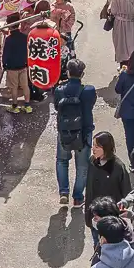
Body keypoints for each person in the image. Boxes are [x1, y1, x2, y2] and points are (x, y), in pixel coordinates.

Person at [52, 61, 96, 209]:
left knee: (62, 161)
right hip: (84, 131)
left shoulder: (59, 90)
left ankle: (63, 192)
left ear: (68, 72)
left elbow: (57, 106)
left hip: (64, 131)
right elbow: (91, 104)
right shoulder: (89, 90)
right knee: (82, 166)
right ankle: (78, 197)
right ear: (82, 74)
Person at [84, 133, 133, 247]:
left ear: (105, 148)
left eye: (97, 146)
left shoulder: (118, 167)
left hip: (110, 221)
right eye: (93, 145)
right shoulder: (92, 161)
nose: (93, 149)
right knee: (97, 245)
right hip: (94, 215)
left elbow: (127, 193)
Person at [0, 14, 32, 114]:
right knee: (25, 86)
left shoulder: (9, 39)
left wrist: (4, 64)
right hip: (23, 65)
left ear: (10, 25)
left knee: (14, 87)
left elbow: (6, 54)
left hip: (12, 67)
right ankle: (27, 106)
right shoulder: (24, 37)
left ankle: (15, 106)